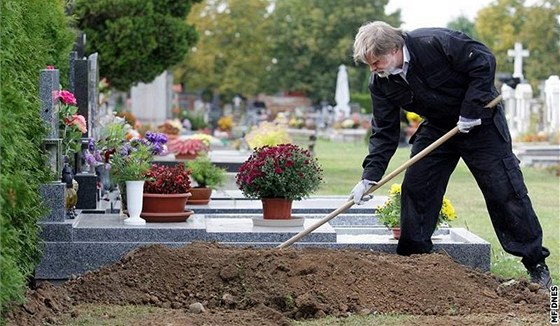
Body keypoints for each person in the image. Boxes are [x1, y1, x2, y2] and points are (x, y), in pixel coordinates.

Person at [349, 21, 551, 289]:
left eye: (376, 61)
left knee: (504, 190)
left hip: (481, 122)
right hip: (438, 127)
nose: (373, 69)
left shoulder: (434, 42)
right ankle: (416, 261)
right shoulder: (381, 83)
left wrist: (471, 109)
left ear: (395, 48)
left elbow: (483, 61)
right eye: (369, 64)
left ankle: (535, 263)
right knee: (417, 187)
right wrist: (369, 177)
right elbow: (384, 132)